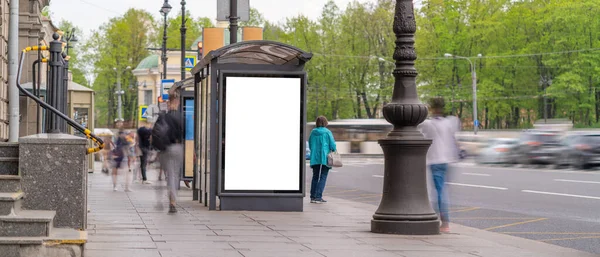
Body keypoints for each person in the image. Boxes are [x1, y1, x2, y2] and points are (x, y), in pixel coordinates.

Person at [417, 97, 461, 233]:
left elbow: (417, 132)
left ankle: (444, 222)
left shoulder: (427, 124)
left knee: (439, 191)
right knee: (442, 190)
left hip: (435, 160)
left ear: (431, 108)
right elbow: (454, 137)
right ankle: (442, 220)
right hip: (448, 160)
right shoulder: (450, 122)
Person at [154, 93, 183, 214]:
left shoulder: (162, 117)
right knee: (174, 175)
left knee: (168, 175)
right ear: (177, 102)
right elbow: (183, 134)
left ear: (167, 103)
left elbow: (155, 133)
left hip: (165, 149)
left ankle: (166, 199)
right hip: (177, 147)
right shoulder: (180, 117)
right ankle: (172, 202)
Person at [308, 116, 337, 204]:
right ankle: (318, 197)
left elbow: (310, 144)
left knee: (315, 176)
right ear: (325, 122)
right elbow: (333, 145)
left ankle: (313, 197)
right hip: (325, 157)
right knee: (323, 176)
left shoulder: (313, 132)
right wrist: (333, 150)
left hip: (315, 157)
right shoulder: (327, 132)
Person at [112, 122, 132, 192]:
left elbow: (114, 145)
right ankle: (126, 187)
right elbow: (128, 145)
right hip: (121, 154)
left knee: (116, 171)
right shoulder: (125, 136)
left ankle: (116, 186)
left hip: (118, 154)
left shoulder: (116, 136)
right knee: (124, 171)